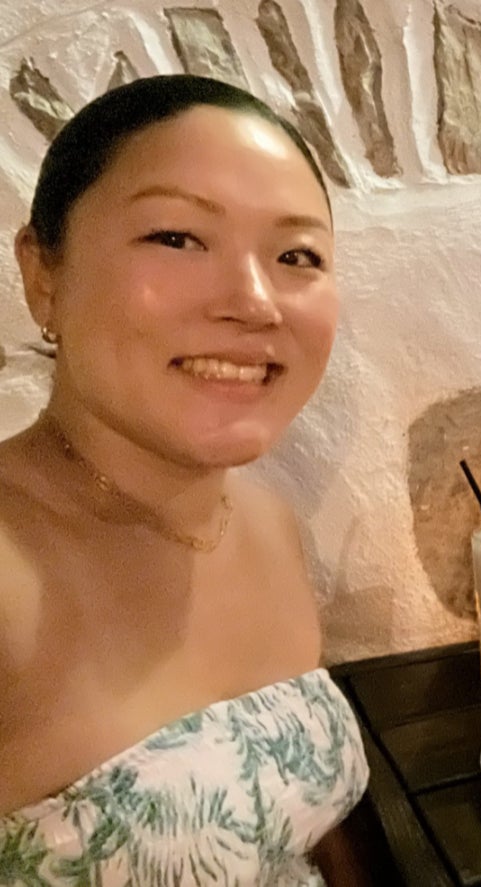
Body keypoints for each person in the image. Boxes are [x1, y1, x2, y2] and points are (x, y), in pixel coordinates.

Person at [0, 75, 369, 884]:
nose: (253, 299)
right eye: (176, 236)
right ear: (43, 274)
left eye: (297, 255)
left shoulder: (272, 526)